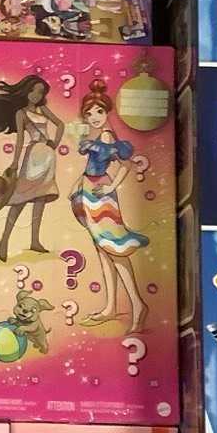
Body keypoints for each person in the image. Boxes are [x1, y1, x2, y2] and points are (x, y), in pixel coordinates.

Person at [70, 80, 148, 333]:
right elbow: (90, 168)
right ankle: (110, 306)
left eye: (98, 111)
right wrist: (77, 185)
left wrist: (111, 186)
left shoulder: (107, 137)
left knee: (113, 250)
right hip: (90, 192)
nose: (94, 117)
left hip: (100, 196)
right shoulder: (99, 136)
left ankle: (137, 304)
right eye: (89, 113)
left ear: (107, 112)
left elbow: (125, 165)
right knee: (103, 251)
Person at [0, 75, 64, 261]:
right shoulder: (21, 113)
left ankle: (35, 241)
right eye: (34, 91)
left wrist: (55, 143)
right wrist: (15, 162)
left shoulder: (42, 109)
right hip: (33, 157)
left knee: (41, 198)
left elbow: (60, 124)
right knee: (20, 199)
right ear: (26, 91)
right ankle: (4, 241)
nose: (36, 95)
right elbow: (20, 141)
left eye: (40, 92)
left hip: (48, 156)